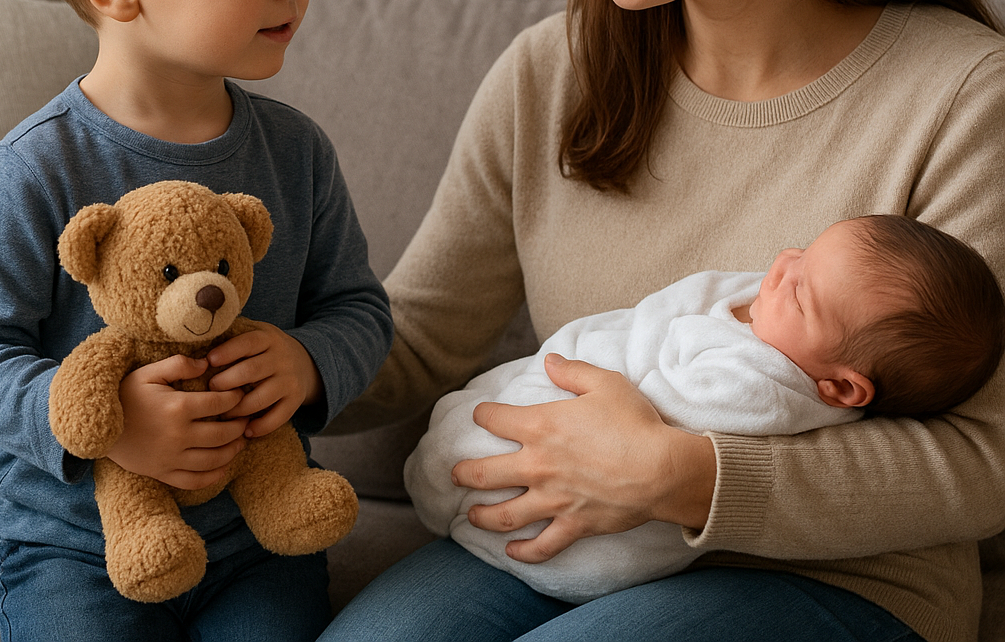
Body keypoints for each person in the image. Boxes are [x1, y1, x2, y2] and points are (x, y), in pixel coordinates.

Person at [319, 0, 1005, 641]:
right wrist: (268, 365)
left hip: (843, 584)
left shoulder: (959, 96)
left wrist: (681, 474)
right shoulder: (551, 73)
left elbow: (986, 459)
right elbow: (417, 339)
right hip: (562, 547)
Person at [0, 0, 394, 642]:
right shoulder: (33, 169)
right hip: (75, 549)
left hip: (257, 543)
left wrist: (309, 360)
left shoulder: (296, 152)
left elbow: (358, 306)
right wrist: (106, 425)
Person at [406, 215, 1005, 604]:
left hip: (830, 582)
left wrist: (664, 468)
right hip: (584, 490)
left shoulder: (762, 388)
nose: (782, 265)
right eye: (803, 250)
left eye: (800, 291)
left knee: (477, 451)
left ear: (844, 390)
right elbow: (418, 326)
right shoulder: (541, 70)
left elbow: (652, 421)